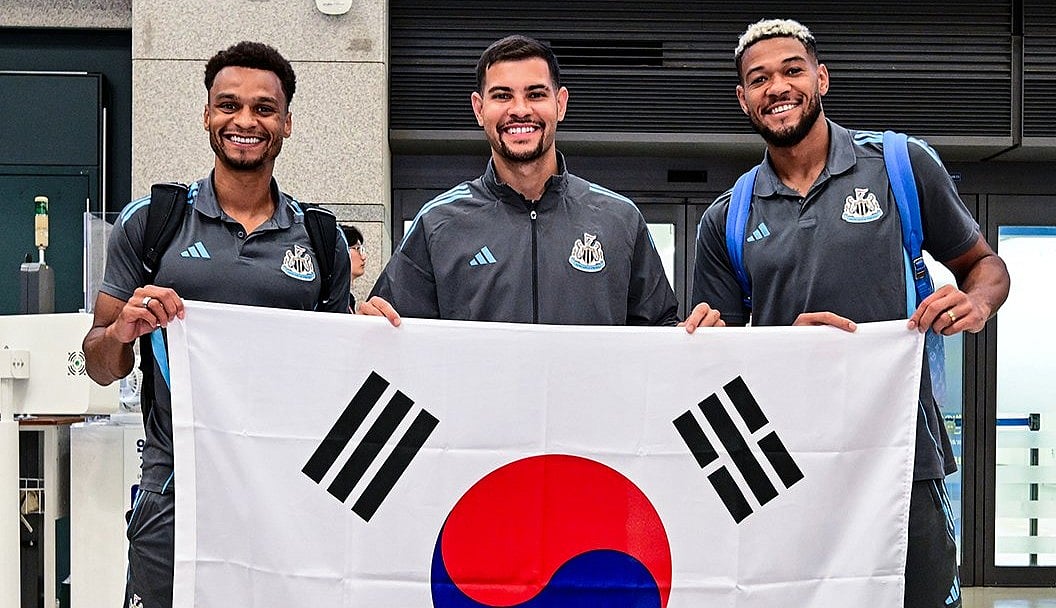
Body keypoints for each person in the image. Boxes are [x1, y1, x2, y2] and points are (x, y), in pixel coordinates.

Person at [692, 19, 1010, 608]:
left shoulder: (900, 165)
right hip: (782, 466)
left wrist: (976, 300)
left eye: (792, 70)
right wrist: (778, 343)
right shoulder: (726, 217)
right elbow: (719, 363)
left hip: (902, 455)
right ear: (742, 98)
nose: (777, 87)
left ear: (821, 78)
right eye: (759, 79)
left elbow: (985, 266)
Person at [82, 41, 354, 608]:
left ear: (286, 124)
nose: (245, 121)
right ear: (207, 115)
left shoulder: (321, 238)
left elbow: (341, 375)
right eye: (229, 105)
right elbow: (100, 364)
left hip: (286, 495)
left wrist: (374, 332)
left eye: (264, 108)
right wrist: (123, 330)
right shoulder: (152, 222)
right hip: (175, 489)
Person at [366, 34, 718, 330]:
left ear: (560, 104)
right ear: (478, 108)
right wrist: (369, 327)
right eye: (502, 96)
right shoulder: (437, 223)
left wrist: (697, 339)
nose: (520, 110)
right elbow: (391, 337)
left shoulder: (620, 219)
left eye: (535, 94)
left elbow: (660, 336)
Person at [341, 224, 367, 312]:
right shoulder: (333, 300)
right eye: (357, 249)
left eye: (362, 249)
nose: (364, 257)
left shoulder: (349, 299)